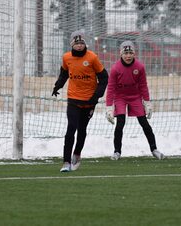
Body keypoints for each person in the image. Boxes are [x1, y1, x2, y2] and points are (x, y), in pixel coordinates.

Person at [52, 31, 108, 172]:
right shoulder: (66, 57)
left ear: (85, 44)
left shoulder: (92, 57)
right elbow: (64, 73)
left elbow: (104, 78)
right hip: (73, 98)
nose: (79, 46)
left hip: (89, 100)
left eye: (81, 43)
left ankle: (77, 153)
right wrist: (58, 85)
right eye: (76, 43)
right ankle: (66, 162)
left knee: (82, 129)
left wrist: (97, 95)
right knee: (71, 129)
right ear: (72, 44)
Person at [105, 40, 164, 160]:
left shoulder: (140, 67)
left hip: (135, 96)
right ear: (121, 54)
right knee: (120, 123)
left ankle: (154, 149)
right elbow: (111, 88)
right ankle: (117, 152)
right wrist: (109, 107)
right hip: (120, 97)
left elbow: (143, 86)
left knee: (144, 123)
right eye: (125, 53)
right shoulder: (115, 68)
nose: (128, 56)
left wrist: (147, 103)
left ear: (134, 54)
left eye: (130, 53)